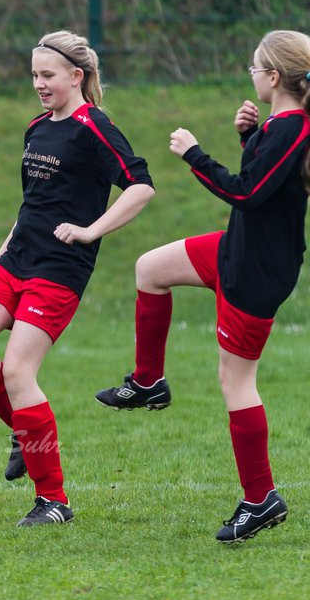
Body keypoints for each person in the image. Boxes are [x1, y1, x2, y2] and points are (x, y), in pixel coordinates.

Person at [94, 29, 310, 543]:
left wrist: (194, 154)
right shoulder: (280, 124)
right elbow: (264, 177)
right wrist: (247, 137)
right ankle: (149, 382)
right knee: (150, 268)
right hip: (236, 249)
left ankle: (260, 500)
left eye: (255, 68)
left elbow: (248, 192)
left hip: (255, 271)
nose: (251, 75)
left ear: (274, 77)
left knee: (237, 383)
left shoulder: (293, 128)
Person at [0, 30, 155, 527]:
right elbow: (31, 206)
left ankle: (54, 502)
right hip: (15, 259)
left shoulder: (94, 126)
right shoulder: (37, 128)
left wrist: (91, 231)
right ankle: (23, 431)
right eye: (34, 75)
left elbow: (140, 186)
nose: (39, 84)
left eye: (48, 75)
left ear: (76, 77)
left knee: (20, 372)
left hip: (59, 270)